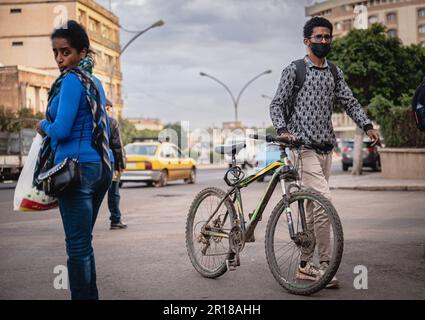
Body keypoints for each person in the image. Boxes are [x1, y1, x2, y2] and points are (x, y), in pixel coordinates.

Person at [269, 16, 380, 289]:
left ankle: (306, 266)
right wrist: (283, 130)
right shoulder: (294, 70)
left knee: (312, 207)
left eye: (327, 37)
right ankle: (325, 266)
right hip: (301, 149)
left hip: (325, 150)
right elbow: (276, 105)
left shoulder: (334, 72)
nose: (323, 41)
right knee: (322, 203)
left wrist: (367, 125)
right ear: (307, 41)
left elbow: (350, 101)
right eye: (318, 37)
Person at [35, 20, 113, 300]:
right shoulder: (95, 82)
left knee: (77, 247)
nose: (59, 59)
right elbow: (102, 122)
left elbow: (62, 130)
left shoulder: (70, 81)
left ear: (82, 52)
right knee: (84, 243)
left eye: (65, 52)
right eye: (56, 53)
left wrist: (42, 126)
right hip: (101, 168)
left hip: (74, 171)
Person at [105, 99, 127, 230]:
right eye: (109, 109)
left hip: (93, 162)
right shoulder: (111, 122)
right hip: (111, 162)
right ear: (106, 108)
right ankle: (115, 219)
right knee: (113, 192)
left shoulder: (90, 121)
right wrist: (121, 164)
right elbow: (117, 146)